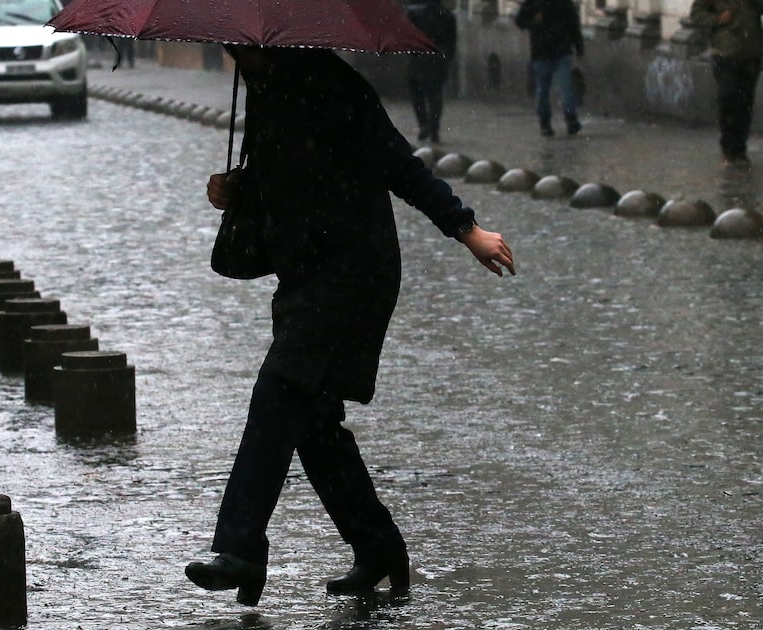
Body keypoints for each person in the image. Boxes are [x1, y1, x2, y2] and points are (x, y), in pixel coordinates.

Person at [185, 45, 516, 607]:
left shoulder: (329, 82)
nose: (230, 50)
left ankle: (240, 549)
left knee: (278, 395)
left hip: (354, 274)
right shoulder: (262, 89)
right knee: (312, 422)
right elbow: (291, 175)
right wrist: (236, 187)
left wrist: (466, 229)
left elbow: (398, 165)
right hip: (304, 278)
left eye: (237, 43)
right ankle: (379, 545)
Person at [688, 0, 763, 166]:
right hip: (725, 53)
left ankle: (740, 150)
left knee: (745, 103)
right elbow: (697, 14)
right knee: (728, 97)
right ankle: (728, 149)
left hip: (750, 52)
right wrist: (718, 19)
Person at [515, 0, 585, 137]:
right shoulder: (534, 3)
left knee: (566, 87)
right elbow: (519, 21)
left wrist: (578, 46)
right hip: (541, 53)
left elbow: (573, 24)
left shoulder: (564, 3)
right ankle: (545, 122)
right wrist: (533, 22)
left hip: (562, 51)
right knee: (543, 90)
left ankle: (571, 119)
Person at [405, 0, 457, 143]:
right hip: (437, 58)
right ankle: (434, 128)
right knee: (435, 95)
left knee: (417, 94)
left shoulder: (415, 14)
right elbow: (452, 41)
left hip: (419, 58)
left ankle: (423, 125)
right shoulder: (448, 16)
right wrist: (446, 58)